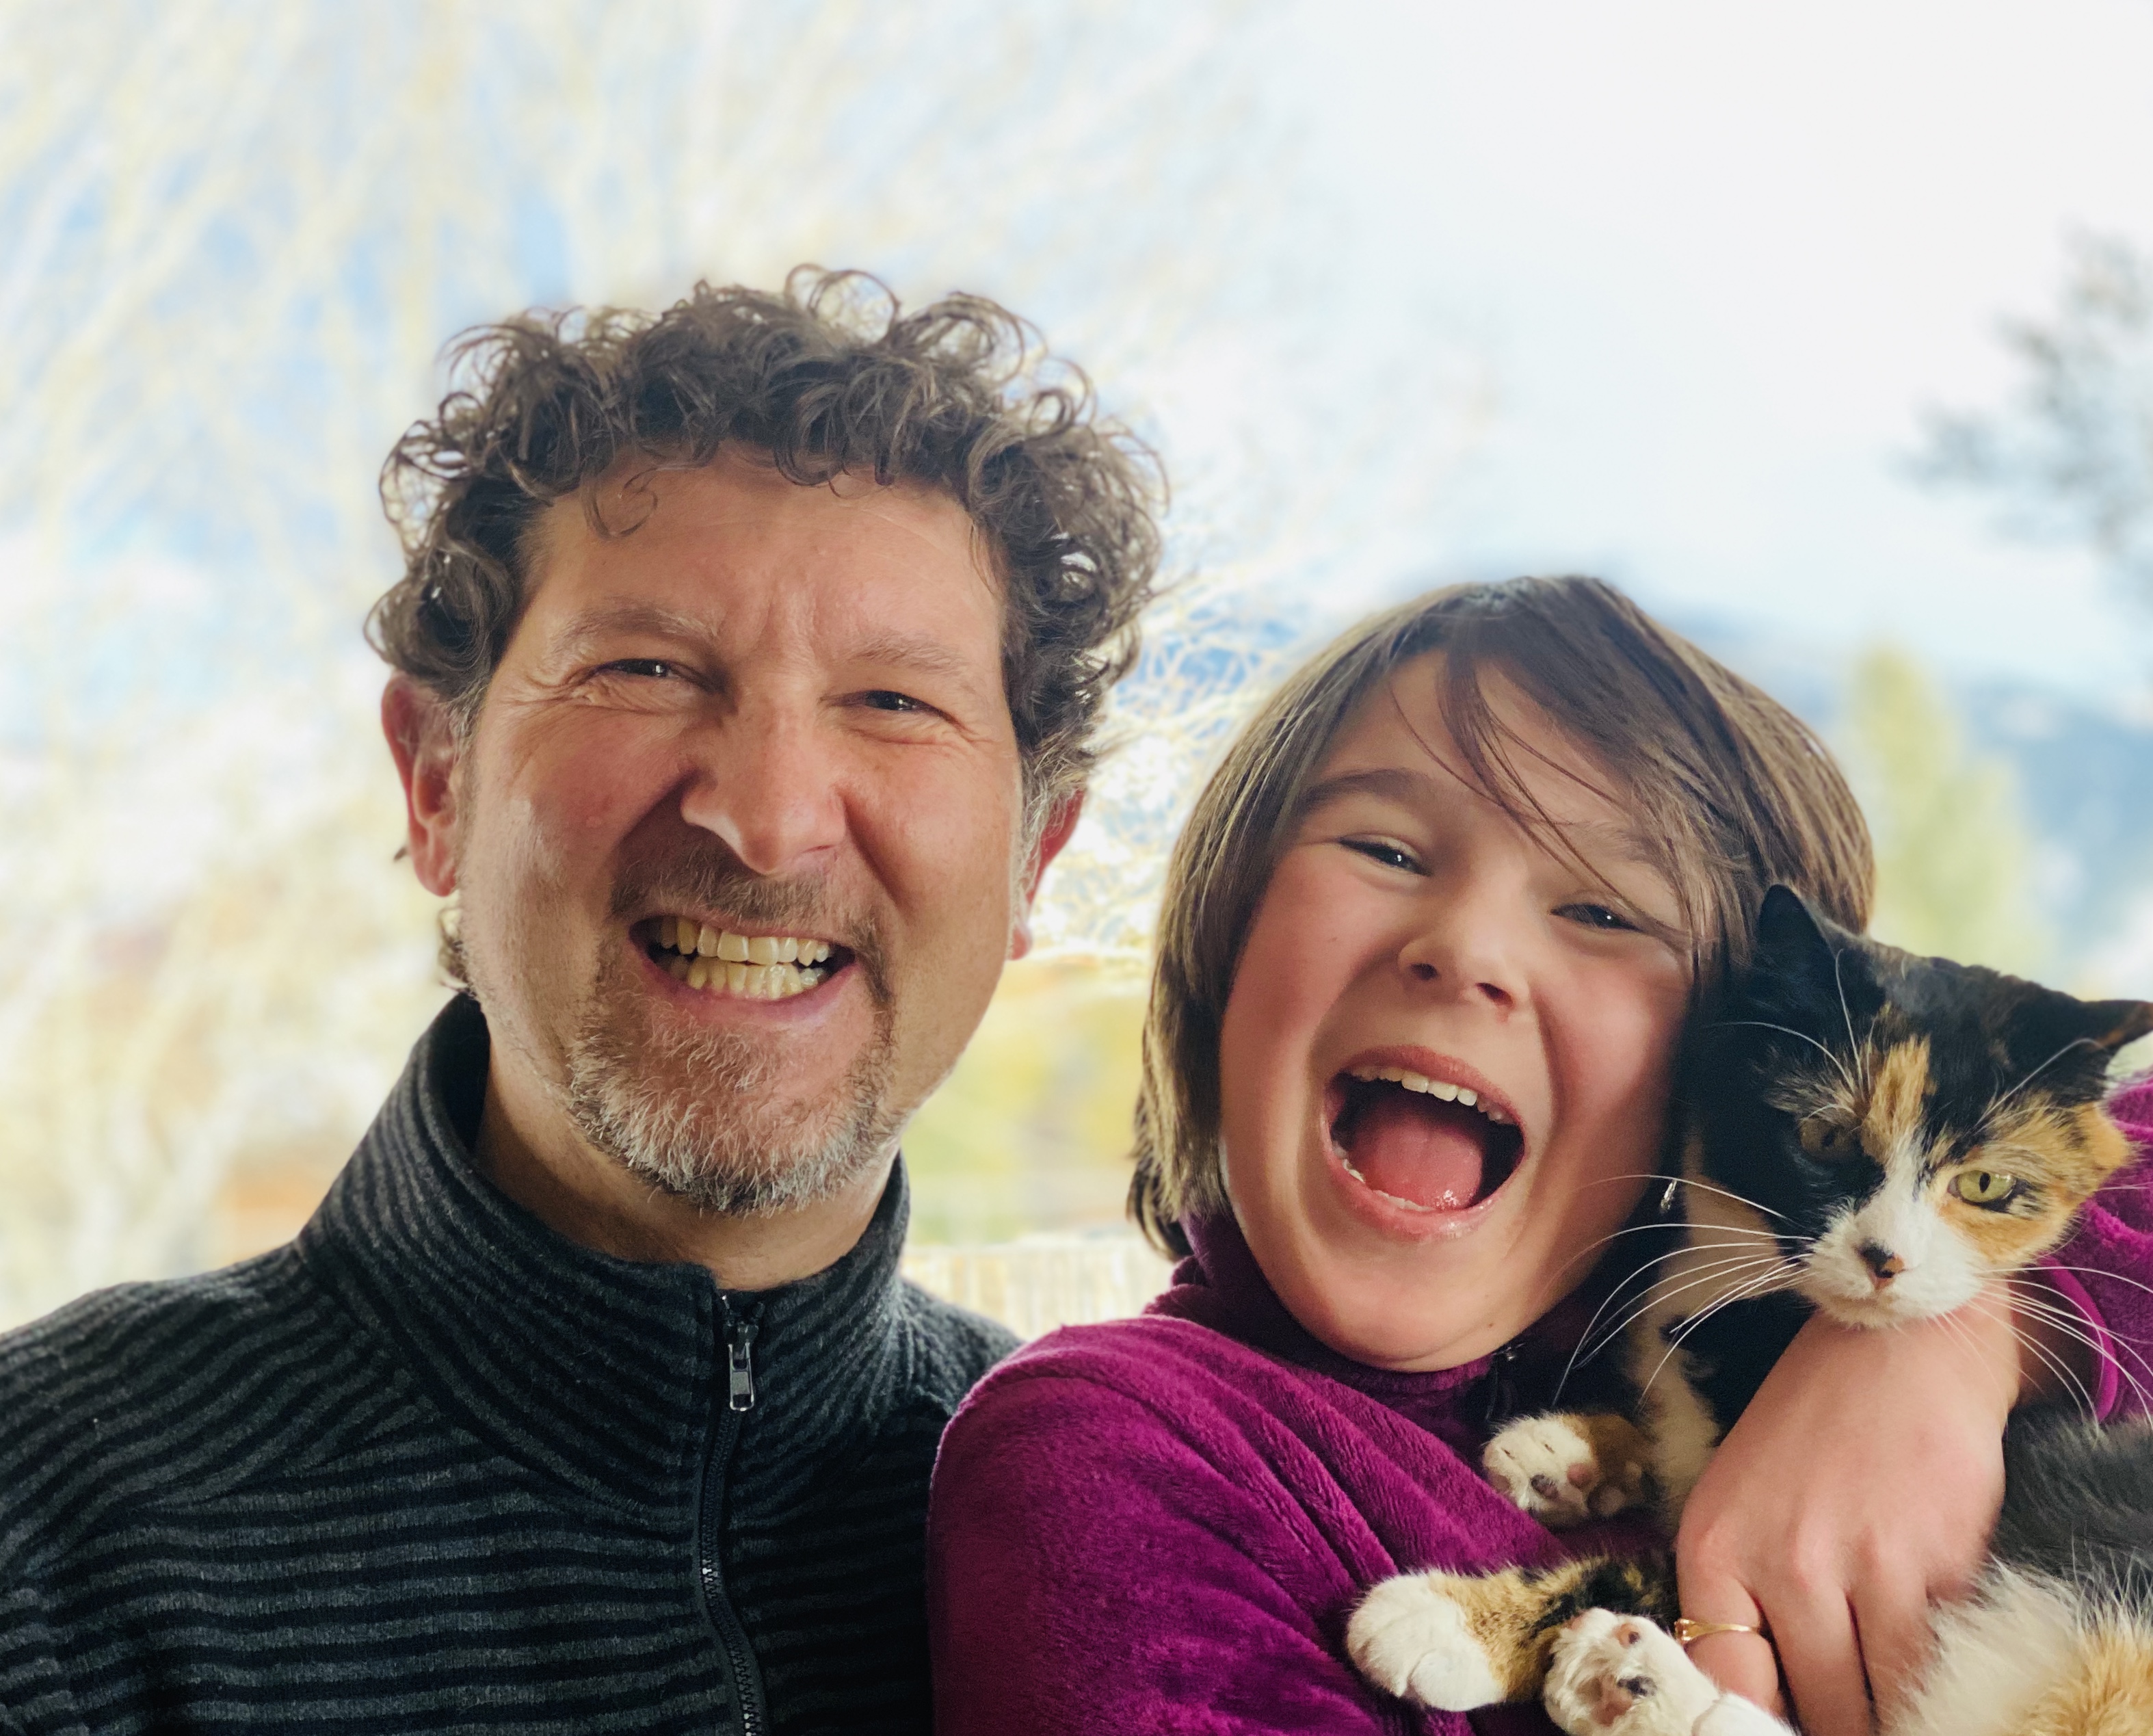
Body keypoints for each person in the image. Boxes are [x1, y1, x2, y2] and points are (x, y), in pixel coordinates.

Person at [0, 274, 1161, 1735]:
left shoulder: (1138, 1542)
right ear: (437, 783)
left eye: (893, 702)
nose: (768, 817)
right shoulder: (43, 1538)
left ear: (1030, 858)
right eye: (649, 670)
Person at [927, 577, 2153, 1736]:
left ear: (1727, 1044)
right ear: (1226, 932)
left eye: (1602, 911)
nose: (1466, 949)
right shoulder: (1127, 1455)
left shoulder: (1751, 1326)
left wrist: (1977, 1334)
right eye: (1388, 850)